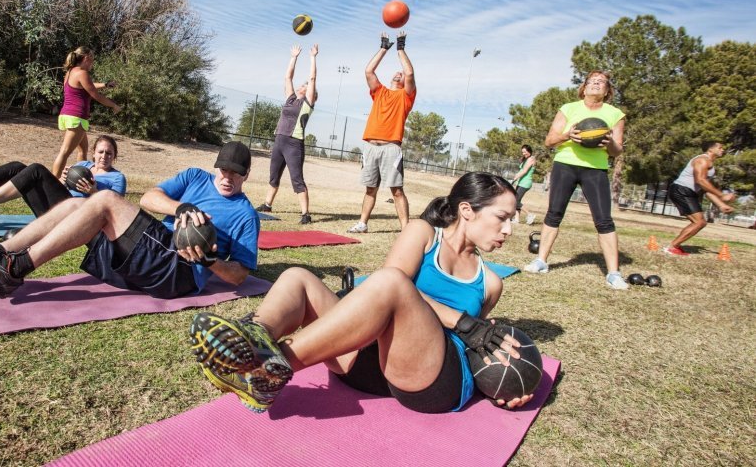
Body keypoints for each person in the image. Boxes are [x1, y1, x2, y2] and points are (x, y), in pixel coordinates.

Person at [189, 172, 533, 415]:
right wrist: (465, 321)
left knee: (391, 284)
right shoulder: (423, 234)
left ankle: (264, 371)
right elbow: (393, 285)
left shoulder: (490, 282)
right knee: (298, 277)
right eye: (502, 217)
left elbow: (474, 344)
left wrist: (504, 382)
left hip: (431, 379)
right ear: (467, 210)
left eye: (512, 220)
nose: (509, 230)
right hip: (369, 366)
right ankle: (255, 335)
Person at [0, 142, 259, 299]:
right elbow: (148, 198)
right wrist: (181, 207)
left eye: (236, 172)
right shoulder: (194, 177)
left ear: (246, 174)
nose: (228, 177)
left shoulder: (245, 215)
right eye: (224, 169)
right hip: (155, 249)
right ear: (216, 166)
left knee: (103, 199)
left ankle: (13, 269)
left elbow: (238, 277)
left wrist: (212, 260)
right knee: (78, 207)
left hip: (179, 273)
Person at [523, 70, 629, 290]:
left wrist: (608, 142)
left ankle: (613, 274)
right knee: (554, 213)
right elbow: (549, 140)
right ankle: (541, 261)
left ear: (607, 90)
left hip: (595, 169)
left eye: (602, 82)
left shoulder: (615, 114)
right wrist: (567, 135)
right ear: (584, 86)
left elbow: (617, 150)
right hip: (566, 165)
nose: (597, 84)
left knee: (604, 220)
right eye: (592, 81)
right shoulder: (568, 109)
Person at [347, 31, 416, 233]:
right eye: (397, 72)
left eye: (401, 74)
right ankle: (362, 223)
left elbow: (410, 73)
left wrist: (401, 48)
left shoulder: (406, 96)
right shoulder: (380, 91)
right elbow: (368, 71)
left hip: (391, 148)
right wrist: (384, 48)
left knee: (396, 190)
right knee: (370, 189)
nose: (399, 73)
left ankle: (406, 230)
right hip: (371, 147)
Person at [255, 44, 319, 224]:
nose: (303, 85)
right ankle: (267, 205)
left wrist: (313, 57)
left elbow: (312, 78)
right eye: (303, 84)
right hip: (279, 140)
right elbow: (287, 77)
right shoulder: (291, 99)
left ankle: (306, 214)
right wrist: (294, 57)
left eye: (305, 85)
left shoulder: (307, 104)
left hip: (293, 143)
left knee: (297, 179)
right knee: (274, 176)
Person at [52, 47, 121, 178]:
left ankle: (79, 178)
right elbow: (96, 95)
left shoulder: (71, 72)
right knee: (65, 152)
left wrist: (105, 84)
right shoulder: (82, 73)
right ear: (86, 58)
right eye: (92, 61)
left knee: (83, 150)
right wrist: (114, 106)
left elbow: (88, 84)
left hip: (69, 114)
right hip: (76, 117)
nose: (92, 64)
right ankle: (52, 182)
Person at [663, 141, 735, 255]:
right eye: (720, 148)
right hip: (682, 190)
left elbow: (705, 188)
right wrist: (722, 195)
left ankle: (674, 246)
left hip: (686, 191)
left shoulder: (710, 164)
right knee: (700, 222)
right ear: (710, 150)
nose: (723, 150)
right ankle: (672, 247)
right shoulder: (702, 160)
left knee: (698, 222)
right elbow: (700, 180)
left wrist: (721, 204)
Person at [510, 144, 537, 225]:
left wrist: (515, 178)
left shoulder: (531, 159)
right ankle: (517, 219)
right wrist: (516, 178)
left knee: (515, 200)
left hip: (525, 183)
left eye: (525, 152)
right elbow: (521, 170)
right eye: (522, 152)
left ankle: (530, 215)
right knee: (517, 200)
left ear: (529, 151)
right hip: (521, 182)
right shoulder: (526, 159)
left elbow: (524, 171)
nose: (524, 154)